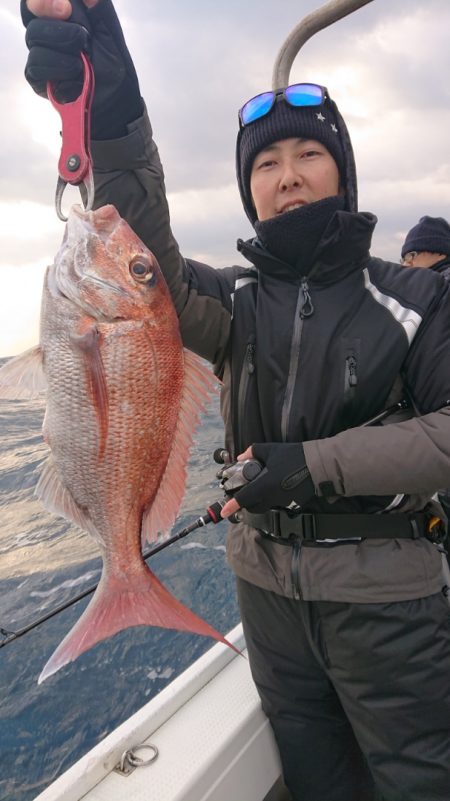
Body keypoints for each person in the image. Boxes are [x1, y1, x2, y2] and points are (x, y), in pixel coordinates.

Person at [21, 2, 450, 800]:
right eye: (265, 164)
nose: (286, 175)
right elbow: (148, 252)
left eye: (309, 154)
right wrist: (109, 105)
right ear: (249, 190)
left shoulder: (417, 297)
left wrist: (308, 467)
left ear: (342, 172)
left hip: (389, 605)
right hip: (268, 604)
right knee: (317, 783)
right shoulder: (232, 306)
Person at [401, 215, 450, 280]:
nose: (405, 264)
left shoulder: (441, 286)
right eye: (404, 260)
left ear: (440, 254)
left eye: (410, 255)